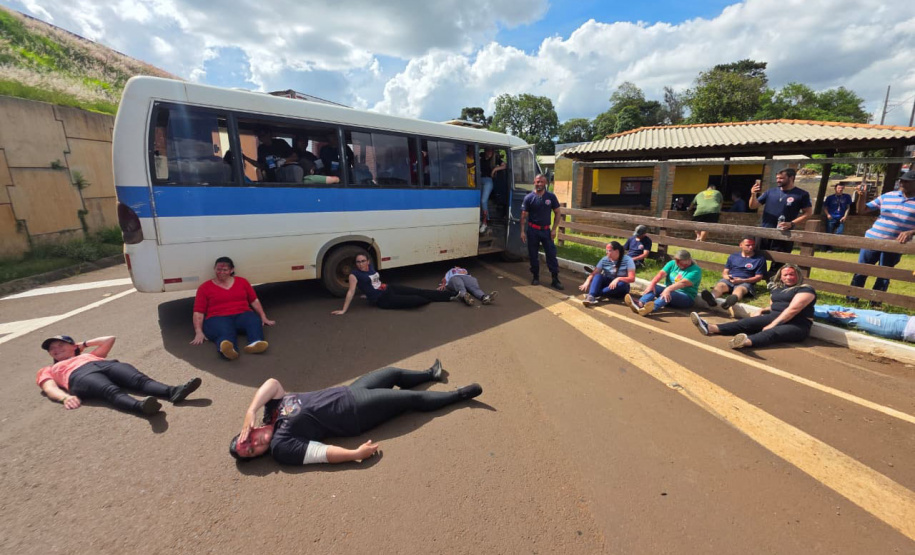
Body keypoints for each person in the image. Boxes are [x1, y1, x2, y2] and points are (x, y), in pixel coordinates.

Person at [228, 361, 482, 465]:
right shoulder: (281, 447)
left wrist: (251, 410)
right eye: (252, 451)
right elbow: (319, 453)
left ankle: (430, 375)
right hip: (355, 412)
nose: (256, 445)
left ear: (248, 430)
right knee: (408, 399)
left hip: (348, 392)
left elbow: (272, 383)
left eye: (248, 441)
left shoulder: (270, 411)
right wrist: (354, 455)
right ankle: (458, 396)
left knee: (392, 373)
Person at [37, 335, 201, 415]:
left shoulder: (88, 354)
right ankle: (141, 407)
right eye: (52, 349)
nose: (56, 349)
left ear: (73, 346)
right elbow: (49, 387)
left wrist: (84, 345)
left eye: (60, 345)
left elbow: (109, 339)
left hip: (104, 364)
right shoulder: (50, 368)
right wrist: (64, 398)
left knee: (139, 380)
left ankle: (173, 392)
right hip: (78, 376)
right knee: (110, 390)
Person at [690, 264, 816, 349]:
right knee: (747, 322)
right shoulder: (778, 289)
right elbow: (774, 307)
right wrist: (762, 310)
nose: (789, 277)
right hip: (775, 316)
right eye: (785, 275)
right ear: (781, 277)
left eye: (792, 274)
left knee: (773, 332)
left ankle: (744, 342)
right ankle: (710, 328)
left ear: (798, 276)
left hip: (797, 324)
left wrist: (773, 324)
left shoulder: (806, 290)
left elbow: (792, 310)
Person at [848, 169, 915, 305]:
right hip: (873, 239)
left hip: (895, 244)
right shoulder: (888, 196)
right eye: (901, 180)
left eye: (907, 181)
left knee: (885, 274)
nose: (902, 183)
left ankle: (876, 302)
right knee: (862, 270)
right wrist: (862, 196)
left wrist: (911, 232)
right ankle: (852, 299)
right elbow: (862, 210)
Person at [191, 257, 275, 360]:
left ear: (231, 270)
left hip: (242, 314)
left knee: (253, 321)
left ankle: (255, 343)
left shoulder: (242, 282)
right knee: (225, 331)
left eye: (225, 270)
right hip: (217, 317)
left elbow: (254, 301)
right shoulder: (204, 288)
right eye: (218, 269)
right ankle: (228, 350)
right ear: (214, 269)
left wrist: (263, 316)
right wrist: (198, 331)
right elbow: (198, 312)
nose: (221, 272)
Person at [332, 255, 456, 313]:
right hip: (383, 299)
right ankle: (442, 297)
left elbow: (372, 282)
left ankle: (451, 295)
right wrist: (343, 310)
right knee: (417, 300)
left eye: (363, 261)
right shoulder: (354, 275)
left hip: (388, 288)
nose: (360, 264)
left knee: (419, 290)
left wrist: (367, 294)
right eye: (358, 262)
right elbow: (351, 291)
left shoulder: (370, 268)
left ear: (367, 261)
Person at [748, 168, 813, 276]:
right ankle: (753, 279)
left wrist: (791, 223)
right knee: (757, 257)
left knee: (779, 262)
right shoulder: (770, 192)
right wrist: (753, 194)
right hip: (765, 231)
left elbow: (808, 213)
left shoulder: (801, 194)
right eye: (777, 178)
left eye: (781, 178)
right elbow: (753, 206)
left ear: (791, 178)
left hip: (784, 233)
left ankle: (774, 283)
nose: (778, 180)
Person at [698, 237, 766, 315]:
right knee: (720, 285)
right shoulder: (733, 256)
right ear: (741, 245)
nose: (751, 247)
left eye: (753, 245)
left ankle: (730, 301)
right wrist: (727, 277)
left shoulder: (759, 259)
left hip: (745, 281)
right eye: (748, 245)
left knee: (740, 289)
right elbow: (725, 272)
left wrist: (742, 280)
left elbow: (759, 277)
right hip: (730, 279)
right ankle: (711, 298)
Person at [625, 249, 701, 316]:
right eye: (677, 262)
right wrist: (652, 284)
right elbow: (661, 274)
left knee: (670, 293)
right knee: (654, 287)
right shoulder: (672, 263)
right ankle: (640, 303)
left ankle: (651, 308)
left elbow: (683, 283)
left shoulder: (696, 270)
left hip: (686, 297)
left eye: (680, 262)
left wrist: (668, 289)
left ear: (688, 260)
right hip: (668, 294)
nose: (678, 264)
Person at [520, 174, 563, 290]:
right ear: (534, 182)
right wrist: (522, 231)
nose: (539, 184)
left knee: (551, 255)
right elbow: (523, 216)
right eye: (537, 182)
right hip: (533, 230)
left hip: (546, 231)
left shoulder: (551, 197)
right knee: (533, 255)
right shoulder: (529, 197)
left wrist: (554, 229)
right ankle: (535, 277)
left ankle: (555, 279)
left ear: (545, 183)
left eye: (542, 182)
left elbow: (558, 212)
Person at [814, 304, 915, 343]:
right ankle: (806, 306)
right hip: (900, 323)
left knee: (847, 315)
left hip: (900, 325)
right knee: (847, 314)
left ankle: (807, 307)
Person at [579, 241, 636, 306]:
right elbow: (595, 272)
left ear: (616, 251)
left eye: (609, 251)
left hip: (619, 288)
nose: (606, 252)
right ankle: (591, 296)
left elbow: (632, 278)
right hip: (607, 284)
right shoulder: (604, 260)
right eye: (606, 250)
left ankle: (595, 293)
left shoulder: (628, 260)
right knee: (598, 276)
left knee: (622, 284)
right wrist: (587, 281)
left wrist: (618, 279)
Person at [478, 148, 505, 234]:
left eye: (491, 151)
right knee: (478, 201)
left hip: (488, 181)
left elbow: (504, 165)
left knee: (483, 200)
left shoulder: (495, 158)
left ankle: (485, 222)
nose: (489, 152)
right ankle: (483, 220)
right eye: (488, 150)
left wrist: (494, 170)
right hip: (478, 180)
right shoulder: (481, 156)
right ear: (485, 151)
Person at [822, 182, 853, 249]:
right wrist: (828, 214)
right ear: (835, 189)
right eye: (839, 188)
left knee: (839, 232)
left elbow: (848, 207)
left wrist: (845, 216)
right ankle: (828, 248)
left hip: (841, 217)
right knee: (829, 233)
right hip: (832, 217)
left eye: (842, 188)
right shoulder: (830, 197)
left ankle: (833, 244)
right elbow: (825, 207)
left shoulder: (847, 197)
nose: (840, 189)